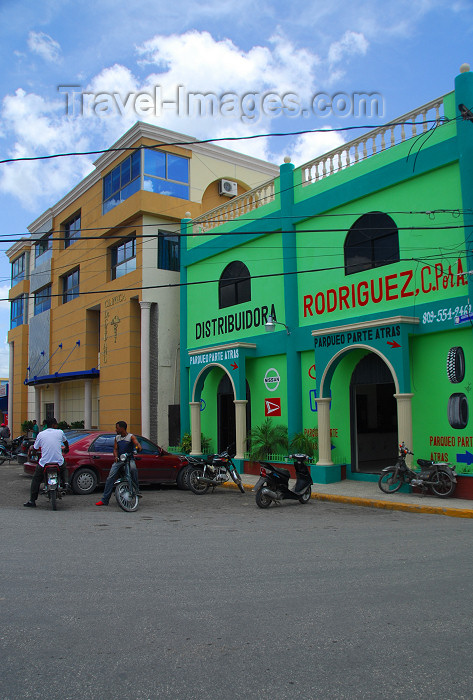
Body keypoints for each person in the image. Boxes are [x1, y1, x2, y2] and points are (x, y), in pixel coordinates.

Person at [23, 417, 69, 508]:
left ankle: (32, 500)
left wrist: (35, 453)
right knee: (64, 468)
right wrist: (67, 448)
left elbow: (35, 448)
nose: (57, 426)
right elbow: (66, 442)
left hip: (45, 463)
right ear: (53, 425)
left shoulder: (41, 434)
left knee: (36, 479)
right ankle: (66, 483)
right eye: (56, 424)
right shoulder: (60, 432)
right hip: (58, 462)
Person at [95, 421, 142, 506]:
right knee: (110, 477)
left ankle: (137, 490)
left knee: (133, 469)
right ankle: (105, 500)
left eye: (117, 428)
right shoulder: (117, 438)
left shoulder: (131, 437)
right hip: (120, 460)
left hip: (129, 459)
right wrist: (116, 456)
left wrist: (138, 448)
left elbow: (137, 444)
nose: (116, 429)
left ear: (122, 428)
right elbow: (115, 449)